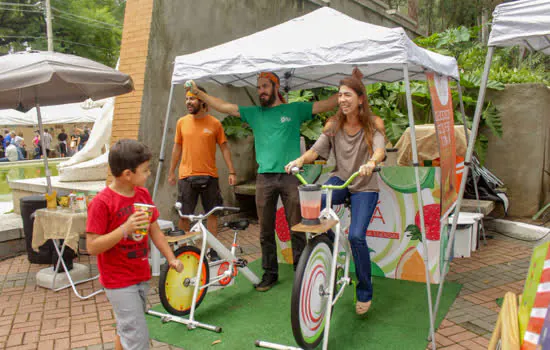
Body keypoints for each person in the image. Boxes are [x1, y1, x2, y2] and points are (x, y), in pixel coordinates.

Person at [185, 69, 385, 292]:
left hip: (291, 176)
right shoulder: (253, 113)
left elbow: (328, 104)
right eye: (258, 87)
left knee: (299, 226)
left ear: (275, 87)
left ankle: (302, 271)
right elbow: (224, 107)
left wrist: (354, 85)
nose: (260, 91)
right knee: (265, 230)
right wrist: (200, 95)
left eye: (264, 86)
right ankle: (269, 274)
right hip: (265, 177)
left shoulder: (294, 109)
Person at [285, 77, 386, 315]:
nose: (342, 99)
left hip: (364, 184)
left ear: (360, 99)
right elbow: (314, 151)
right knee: (314, 205)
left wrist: (371, 162)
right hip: (341, 180)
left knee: (358, 237)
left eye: (347, 95)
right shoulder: (333, 125)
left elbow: (380, 149)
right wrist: (299, 160)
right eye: (340, 95)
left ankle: (364, 291)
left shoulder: (372, 124)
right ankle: (330, 245)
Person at [86, 139, 183, 350]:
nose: (149, 174)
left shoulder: (142, 195)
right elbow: (92, 246)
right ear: (128, 174)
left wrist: (171, 258)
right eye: (146, 170)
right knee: (137, 338)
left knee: (126, 329)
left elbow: (154, 229)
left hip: (139, 275)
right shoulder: (102, 203)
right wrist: (124, 229)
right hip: (118, 281)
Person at [168, 86, 237, 236]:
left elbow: (224, 148)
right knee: (184, 215)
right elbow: (177, 148)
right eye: (186, 99)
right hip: (186, 177)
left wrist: (232, 171)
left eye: (192, 98)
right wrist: (171, 172)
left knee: (213, 214)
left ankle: (212, 251)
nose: (188, 102)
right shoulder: (181, 122)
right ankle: (183, 249)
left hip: (210, 176)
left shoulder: (215, 123)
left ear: (202, 100)